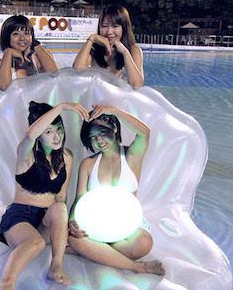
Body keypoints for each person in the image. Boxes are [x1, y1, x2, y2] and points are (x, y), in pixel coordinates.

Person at [0, 101, 89, 290]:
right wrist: (61, 107)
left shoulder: (66, 157)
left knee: (60, 207)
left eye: (59, 129)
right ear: (40, 134)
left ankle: (56, 266)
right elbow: (30, 135)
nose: (57, 136)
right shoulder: (26, 154)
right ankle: (4, 286)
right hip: (20, 217)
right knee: (34, 242)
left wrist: (67, 225)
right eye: (49, 131)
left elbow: (61, 198)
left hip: (44, 219)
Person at [67, 105, 165, 276]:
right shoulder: (88, 164)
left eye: (102, 132)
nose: (98, 140)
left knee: (144, 243)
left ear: (114, 128)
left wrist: (114, 111)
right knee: (74, 240)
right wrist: (72, 221)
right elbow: (80, 198)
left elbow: (144, 133)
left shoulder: (131, 156)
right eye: (92, 137)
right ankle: (138, 267)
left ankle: (97, 251)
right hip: (95, 225)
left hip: (125, 226)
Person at [72, 4, 144, 88]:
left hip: (118, 95)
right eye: (105, 26)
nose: (109, 32)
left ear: (124, 28)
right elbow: (77, 71)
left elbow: (136, 84)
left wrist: (125, 52)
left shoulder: (133, 50)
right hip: (97, 93)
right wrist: (92, 38)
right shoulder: (94, 49)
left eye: (115, 26)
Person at [0, 15, 58, 90]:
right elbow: (2, 86)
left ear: (32, 36)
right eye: (16, 34)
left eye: (26, 33)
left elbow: (55, 75)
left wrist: (35, 45)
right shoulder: (1, 63)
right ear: (7, 37)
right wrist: (8, 52)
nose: (22, 38)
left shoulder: (39, 59)